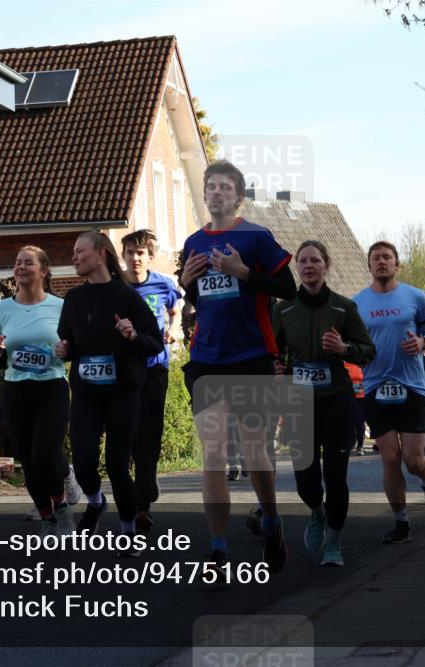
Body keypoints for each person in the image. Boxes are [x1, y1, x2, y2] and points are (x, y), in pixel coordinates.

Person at [178, 160, 296, 573]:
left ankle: (272, 519)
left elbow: (288, 288)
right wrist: (186, 282)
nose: (216, 192)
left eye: (225, 187)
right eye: (210, 186)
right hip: (207, 359)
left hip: (252, 357)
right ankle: (218, 546)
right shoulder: (193, 241)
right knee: (213, 453)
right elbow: (197, 297)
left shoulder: (257, 237)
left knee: (253, 452)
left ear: (238, 196)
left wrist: (243, 271)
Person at [57, 232, 163, 556]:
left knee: (117, 465)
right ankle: (96, 502)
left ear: (101, 254)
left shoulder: (127, 296)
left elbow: (154, 343)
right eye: (73, 252)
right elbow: (68, 341)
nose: (74, 257)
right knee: (85, 462)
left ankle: (128, 530)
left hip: (122, 392)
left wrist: (133, 336)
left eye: (79, 251)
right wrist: (64, 349)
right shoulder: (74, 300)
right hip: (87, 393)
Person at [272, 240, 376, 566]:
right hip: (300, 401)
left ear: (326, 265)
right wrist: (274, 365)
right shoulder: (284, 308)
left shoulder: (344, 307)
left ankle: (334, 541)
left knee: (335, 475)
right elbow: (271, 350)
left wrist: (344, 349)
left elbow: (367, 350)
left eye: (315, 260)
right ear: (297, 267)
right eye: (302, 261)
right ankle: (316, 511)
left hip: (337, 400)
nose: (308, 266)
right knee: (305, 478)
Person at [354, 241, 425, 545]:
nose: (381, 262)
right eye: (376, 258)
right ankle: (401, 522)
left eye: (387, 257)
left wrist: (423, 342)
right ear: (369, 266)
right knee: (390, 458)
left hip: (412, 385)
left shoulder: (415, 296)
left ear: (397, 264)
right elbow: (353, 344)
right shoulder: (357, 303)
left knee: (412, 459)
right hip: (375, 387)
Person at [0, 247, 72, 536]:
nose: (20, 267)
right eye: (17, 262)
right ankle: (47, 518)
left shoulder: (60, 306)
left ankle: (62, 506)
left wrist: (66, 349)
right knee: (28, 460)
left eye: (28, 263)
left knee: (45, 454)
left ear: (43, 271)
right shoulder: (2, 309)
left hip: (52, 387)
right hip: (16, 389)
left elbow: (74, 343)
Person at [120, 230, 183, 531]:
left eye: (140, 253)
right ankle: (146, 476)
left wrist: (175, 328)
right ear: (123, 255)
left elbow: (176, 309)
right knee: (130, 432)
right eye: (130, 252)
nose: (135, 258)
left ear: (150, 257)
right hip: (124, 368)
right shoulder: (115, 286)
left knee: (150, 429)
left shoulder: (163, 283)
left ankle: (142, 501)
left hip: (156, 365)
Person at [344, 361, 366, 455]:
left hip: (361, 398)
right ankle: (350, 444)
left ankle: (360, 446)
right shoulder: (342, 364)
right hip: (347, 397)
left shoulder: (361, 364)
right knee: (348, 422)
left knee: (359, 422)